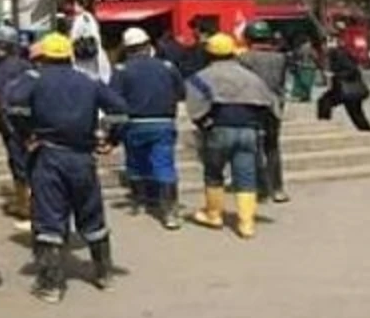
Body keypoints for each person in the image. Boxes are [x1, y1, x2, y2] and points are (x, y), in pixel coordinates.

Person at [6, 33, 128, 303]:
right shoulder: (89, 82)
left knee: (50, 218)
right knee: (92, 214)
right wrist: (111, 139)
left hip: (49, 156)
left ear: (43, 58)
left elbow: (13, 108)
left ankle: (51, 285)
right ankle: (104, 273)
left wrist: (27, 135)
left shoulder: (35, 82)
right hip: (83, 158)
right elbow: (120, 110)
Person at [187, 33, 282, 239]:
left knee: (213, 173)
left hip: (218, 129)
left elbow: (195, 108)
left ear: (209, 54)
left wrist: (204, 124)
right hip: (249, 130)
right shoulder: (250, 76)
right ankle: (246, 224)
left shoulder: (200, 77)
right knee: (246, 176)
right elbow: (271, 103)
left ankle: (214, 214)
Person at [110, 27, 185, 229]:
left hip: (134, 123)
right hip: (163, 122)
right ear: (148, 45)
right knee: (164, 165)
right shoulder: (168, 67)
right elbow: (181, 92)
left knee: (135, 162)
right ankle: (169, 211)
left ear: (127, 48)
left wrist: (110, 132)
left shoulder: (121, 70)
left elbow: (113, 100)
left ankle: (138, 201)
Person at [238, 20, 291, 203]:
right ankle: (277, 188)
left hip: (251, 105)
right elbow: (281, 83)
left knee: (254, 147)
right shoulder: (281, 57)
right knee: (272, 147)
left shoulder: (244, 58)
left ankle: (261, 189)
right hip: (274, 105)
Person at [0, 25, 32, 224]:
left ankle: (25, 204)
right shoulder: (26, 65)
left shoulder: (3, 68)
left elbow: (4, 100)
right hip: (28, 121)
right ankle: (27, 201)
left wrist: (7, 125)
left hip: (13, 124)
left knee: (18, 164)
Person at [318, 35, 370, 131]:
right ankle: (324, 125)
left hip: (349, 90)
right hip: (342, 90)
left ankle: (368, 133)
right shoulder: (333, 54)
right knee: (325, 101)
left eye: (323, 45)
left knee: (356, 115)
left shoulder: (339, 54)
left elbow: (352, 70)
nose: (323, 48)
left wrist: (335, 75)